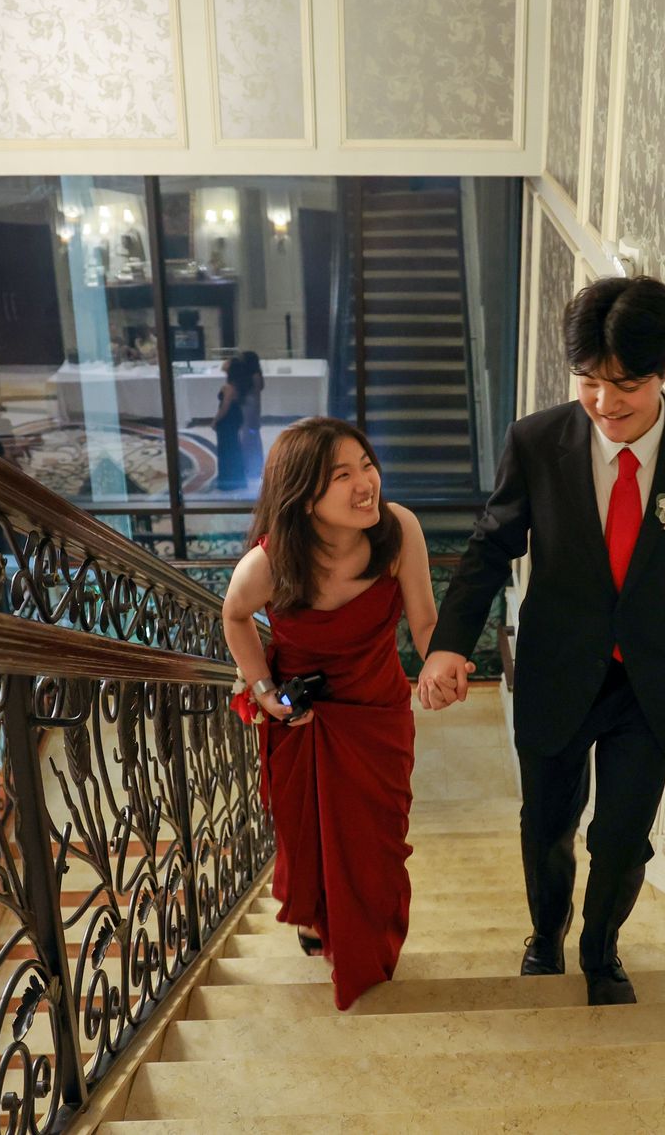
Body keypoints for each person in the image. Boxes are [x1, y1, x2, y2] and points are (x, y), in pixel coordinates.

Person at [417, 276, 665, 1007]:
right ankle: (546, 934)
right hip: (559, 667)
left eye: (625, 384)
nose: (604, 402)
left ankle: (602, 950)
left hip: (654, 680)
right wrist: (448, 643)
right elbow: (489, 546)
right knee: (547, 825)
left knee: (622, 835)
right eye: (589, 381)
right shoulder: (538, 441)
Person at [221, 417, 449, 1010]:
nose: (365, 483)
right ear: (304, 496)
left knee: (378, 838)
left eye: (366, 465)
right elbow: (235, 616)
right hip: (305, 721)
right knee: (307, 831)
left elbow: (425, 623)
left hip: (377, 714)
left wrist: (440, 663)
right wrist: (263, 690)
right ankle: (316, 914)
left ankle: (367, 947)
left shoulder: (399, 531)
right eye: (342, 475)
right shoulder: (269, 562)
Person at [212, 354, 259, 491]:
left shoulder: (229, 387)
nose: (225, 362)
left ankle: (227, 479)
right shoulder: (237, 386)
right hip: (234, 418)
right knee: (233, 446)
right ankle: (236, 477)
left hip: (227, 419)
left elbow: (225, 406)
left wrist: (215, 420)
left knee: (226, 448)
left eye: (228, 362)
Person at [237, 351, 266, 480]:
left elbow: (257, 396)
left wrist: (257, 414)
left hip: (251, 407)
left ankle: (254, 466)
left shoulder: (255, 376)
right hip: (247, 406)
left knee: (250, 436)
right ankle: (248, 465)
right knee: (247, 436)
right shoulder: (248, 374)